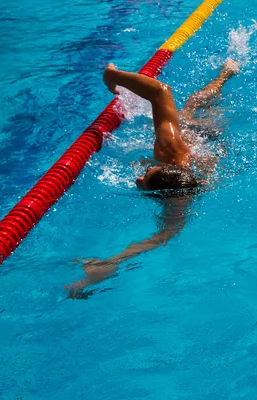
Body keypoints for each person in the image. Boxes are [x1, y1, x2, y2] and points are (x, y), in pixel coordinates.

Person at [65, 59, 240, 298]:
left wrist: (112, 262)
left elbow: (162, 237)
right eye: (146, 175)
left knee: (202, 106)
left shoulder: (179, 199)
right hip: (200, 135)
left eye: (143, 179)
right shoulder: (167, 151)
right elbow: (161, 90)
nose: (137, 179)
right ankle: (224, 74)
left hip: (205, 147)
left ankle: (225, 75)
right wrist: (113, 77)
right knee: (193, 105)